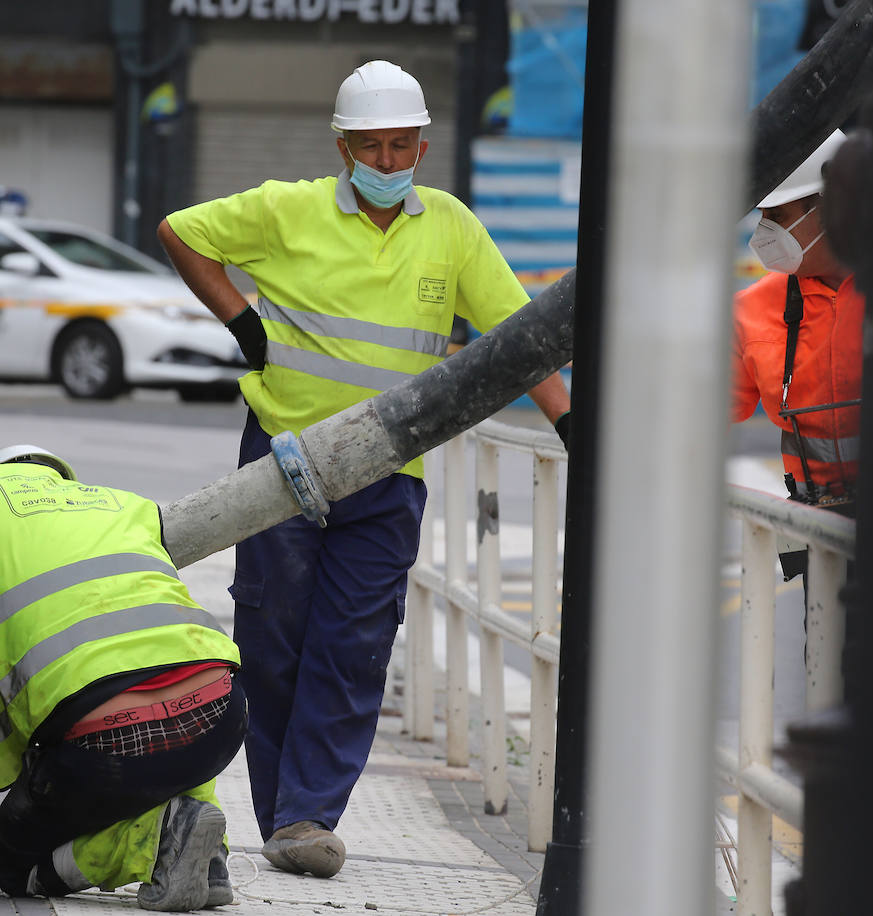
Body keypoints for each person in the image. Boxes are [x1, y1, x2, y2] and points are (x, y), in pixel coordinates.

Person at [155, 60, 572, 878]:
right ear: (343, 147)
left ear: (423, 143)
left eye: (400, 147)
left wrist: (572, 423)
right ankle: (285, 812)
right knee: (272, 636)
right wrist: (241, 322)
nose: (387, 163)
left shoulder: (449, 226)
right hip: (281, 459)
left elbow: (520, 335)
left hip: (388, 477)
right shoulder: (286, 210)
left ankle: (308, 816)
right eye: (370, 148)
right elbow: (181, 230)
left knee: (352, 646)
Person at [0, 444, 246, 911]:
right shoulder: (121, 508)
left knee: (20, 867)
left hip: (109, 739)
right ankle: (210, 858)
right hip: (223, 713)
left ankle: (153, 841)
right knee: (178, 692)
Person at [731, 128, 861, 529]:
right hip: (816, 528)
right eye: (763, 217)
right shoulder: (750, 310)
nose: (764, 234)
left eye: (777, 217)